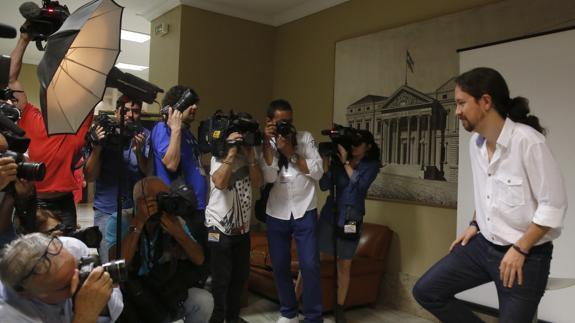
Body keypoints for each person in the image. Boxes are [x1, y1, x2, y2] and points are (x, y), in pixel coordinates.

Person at [412, 67, 568, 323]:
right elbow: (488, 193)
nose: (457, 111)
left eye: (461, 103)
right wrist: (475, 223)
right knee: (427, 291)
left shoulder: (528, 142)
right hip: (484, 245)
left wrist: (520, 248)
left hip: (526, 255)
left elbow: (554, 206)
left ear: (485, 101)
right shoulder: (477, 144)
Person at [10, 28, 92, 228]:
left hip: (64, 204)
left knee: (65, 252)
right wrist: (24, 39)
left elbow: (89, 86)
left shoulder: (77, 124)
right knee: (33, 256)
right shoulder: (30, 116)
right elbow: (11, 79)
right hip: (33, 200)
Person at [105, 176, 213, 323]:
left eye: (167, 196)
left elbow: (199, 259)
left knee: (204, 300)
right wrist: (139, 222)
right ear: (140, 201)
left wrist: (178, 233)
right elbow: (116, 265)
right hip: (134, 295)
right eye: (159, 198)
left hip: (162, 288)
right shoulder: (120, 220)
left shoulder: (172, 220)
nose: (165, 203)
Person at [261, 99, 323, 323]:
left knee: (310, 264)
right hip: (277, 211)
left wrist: (291, 153)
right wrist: (269, 145)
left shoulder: (304, 139)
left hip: (305, 209)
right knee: (279, 265)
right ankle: (288, 312)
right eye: (281, 122)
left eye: (290, 121)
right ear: (270, 122)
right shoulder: (265, 142)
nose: (287, 126)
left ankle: (314, 316)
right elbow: (268, 177)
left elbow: (317, 172)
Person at [316, 129, 380, 322]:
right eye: (352, 144)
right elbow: (325, 186)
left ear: (368, 146)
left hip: (351, 217)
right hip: (329, 216)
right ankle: (299, 299)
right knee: (313, 259)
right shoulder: (337, 161)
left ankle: (340, 308)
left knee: (344, 264)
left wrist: (345, 162)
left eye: (358, 144)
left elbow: (359, 185)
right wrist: (326, 164)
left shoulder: (371, 165)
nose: (353, 148)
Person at [204, 119, 263, 323]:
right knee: (221, 281)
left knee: (239, 278)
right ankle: (217, 318)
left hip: (242, 230)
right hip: (218, 227)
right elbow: (220, 182)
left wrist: (251, 157)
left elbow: (258, 182)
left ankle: (232, 317)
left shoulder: (249, 158)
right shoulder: (218, 157)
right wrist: (230, 153)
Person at [0, 233, 123, 322]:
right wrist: (84, 317)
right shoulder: (9, 315)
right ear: (27, 294)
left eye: (79, 267)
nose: (77, 279)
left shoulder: (73, 248)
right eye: (67, 284)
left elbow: (116, 309)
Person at [84, 95, 150, 261]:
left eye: (135, 111)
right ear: (116, 111)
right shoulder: (104, 133)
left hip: (135, 211)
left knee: (133, 261)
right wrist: (97, 148)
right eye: (125, 110)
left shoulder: (144, 135)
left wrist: (139, 153)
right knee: (109, 263)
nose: (130, 115)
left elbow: (149, 172)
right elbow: (90, 176)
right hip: (106, 210)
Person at [151, 85, 208, 250]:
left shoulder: (188, 133)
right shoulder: (163, 129)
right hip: (179, 210)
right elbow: (171, 163)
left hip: (197, 207)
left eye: (196, 103)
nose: (195, 107)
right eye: (190, 103)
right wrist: (175, 129)